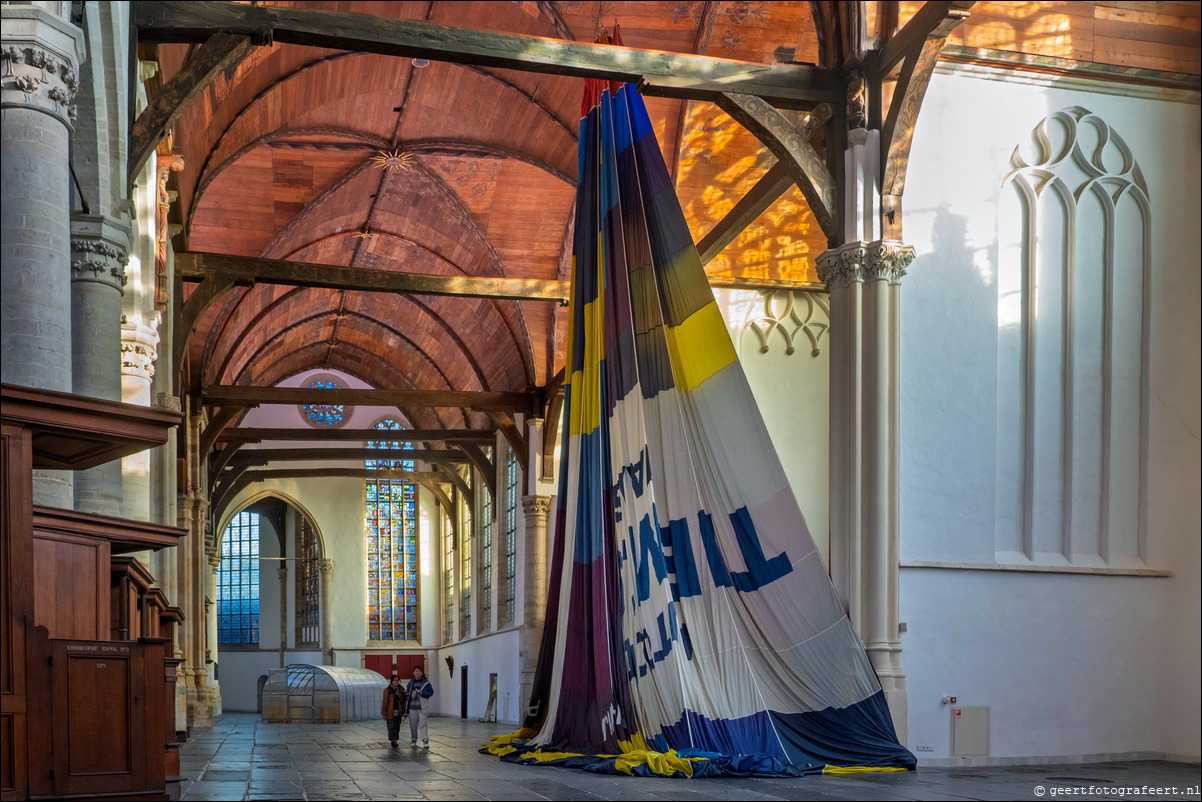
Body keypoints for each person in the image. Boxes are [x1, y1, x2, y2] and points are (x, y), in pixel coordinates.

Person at [405, 665, 434, 748]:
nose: (417, 673)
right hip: (412, 707)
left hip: (422, 707)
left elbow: (431, 692)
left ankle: (425, 740)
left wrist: (423, 694)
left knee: (423, 723)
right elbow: (407, 692)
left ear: (421, 673)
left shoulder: (426, 683)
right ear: (413, 673)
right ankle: (413, 739)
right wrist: (407, 694)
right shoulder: (411, 683)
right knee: (413, 724)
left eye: (419, 671)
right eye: (416, 671)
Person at [380, 674, 407, 747]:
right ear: (392, 681)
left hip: (399, 711)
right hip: (390, 712)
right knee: (391, 726)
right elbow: (385, 702)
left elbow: (404, 701)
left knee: (397, 726)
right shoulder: (387, 690)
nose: (396, 682)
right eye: (395, 680)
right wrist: (384, 712)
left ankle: (395, 739)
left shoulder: (401, 689)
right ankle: (393, 740)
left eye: (397, 680)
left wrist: (404, 710)